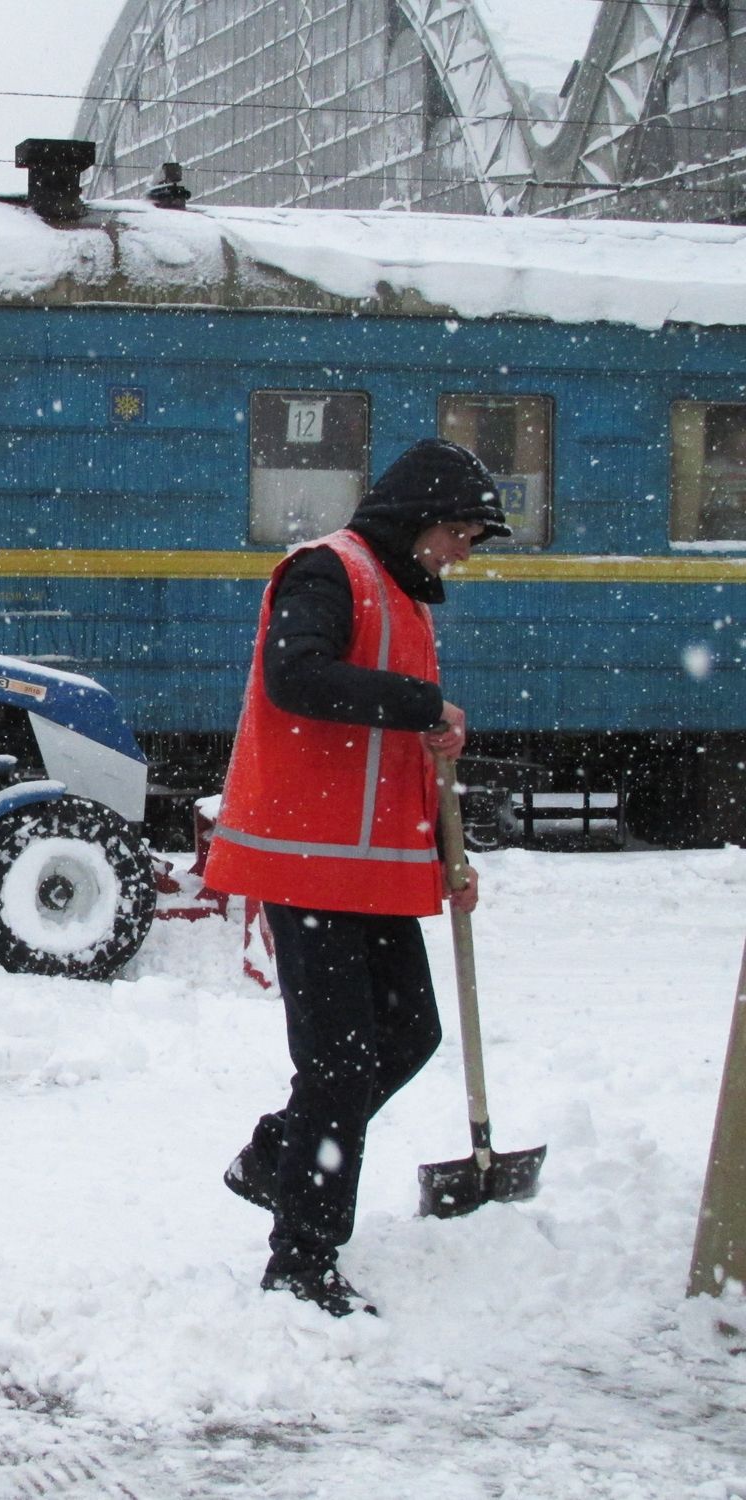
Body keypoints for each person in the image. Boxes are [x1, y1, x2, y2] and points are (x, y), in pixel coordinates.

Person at [203, 438, 510, 1318]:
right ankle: (301, 1262)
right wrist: (419, 706)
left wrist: (446, 858)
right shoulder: (327, 573)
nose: (461, 553)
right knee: (339, 1063)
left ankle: (276, 1157)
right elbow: (296, 679)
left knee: (408, 1034)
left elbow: (390, 760)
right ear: (418, 519)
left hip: (366, 870)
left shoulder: (406, 604)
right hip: (304, 864)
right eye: (458, 533)